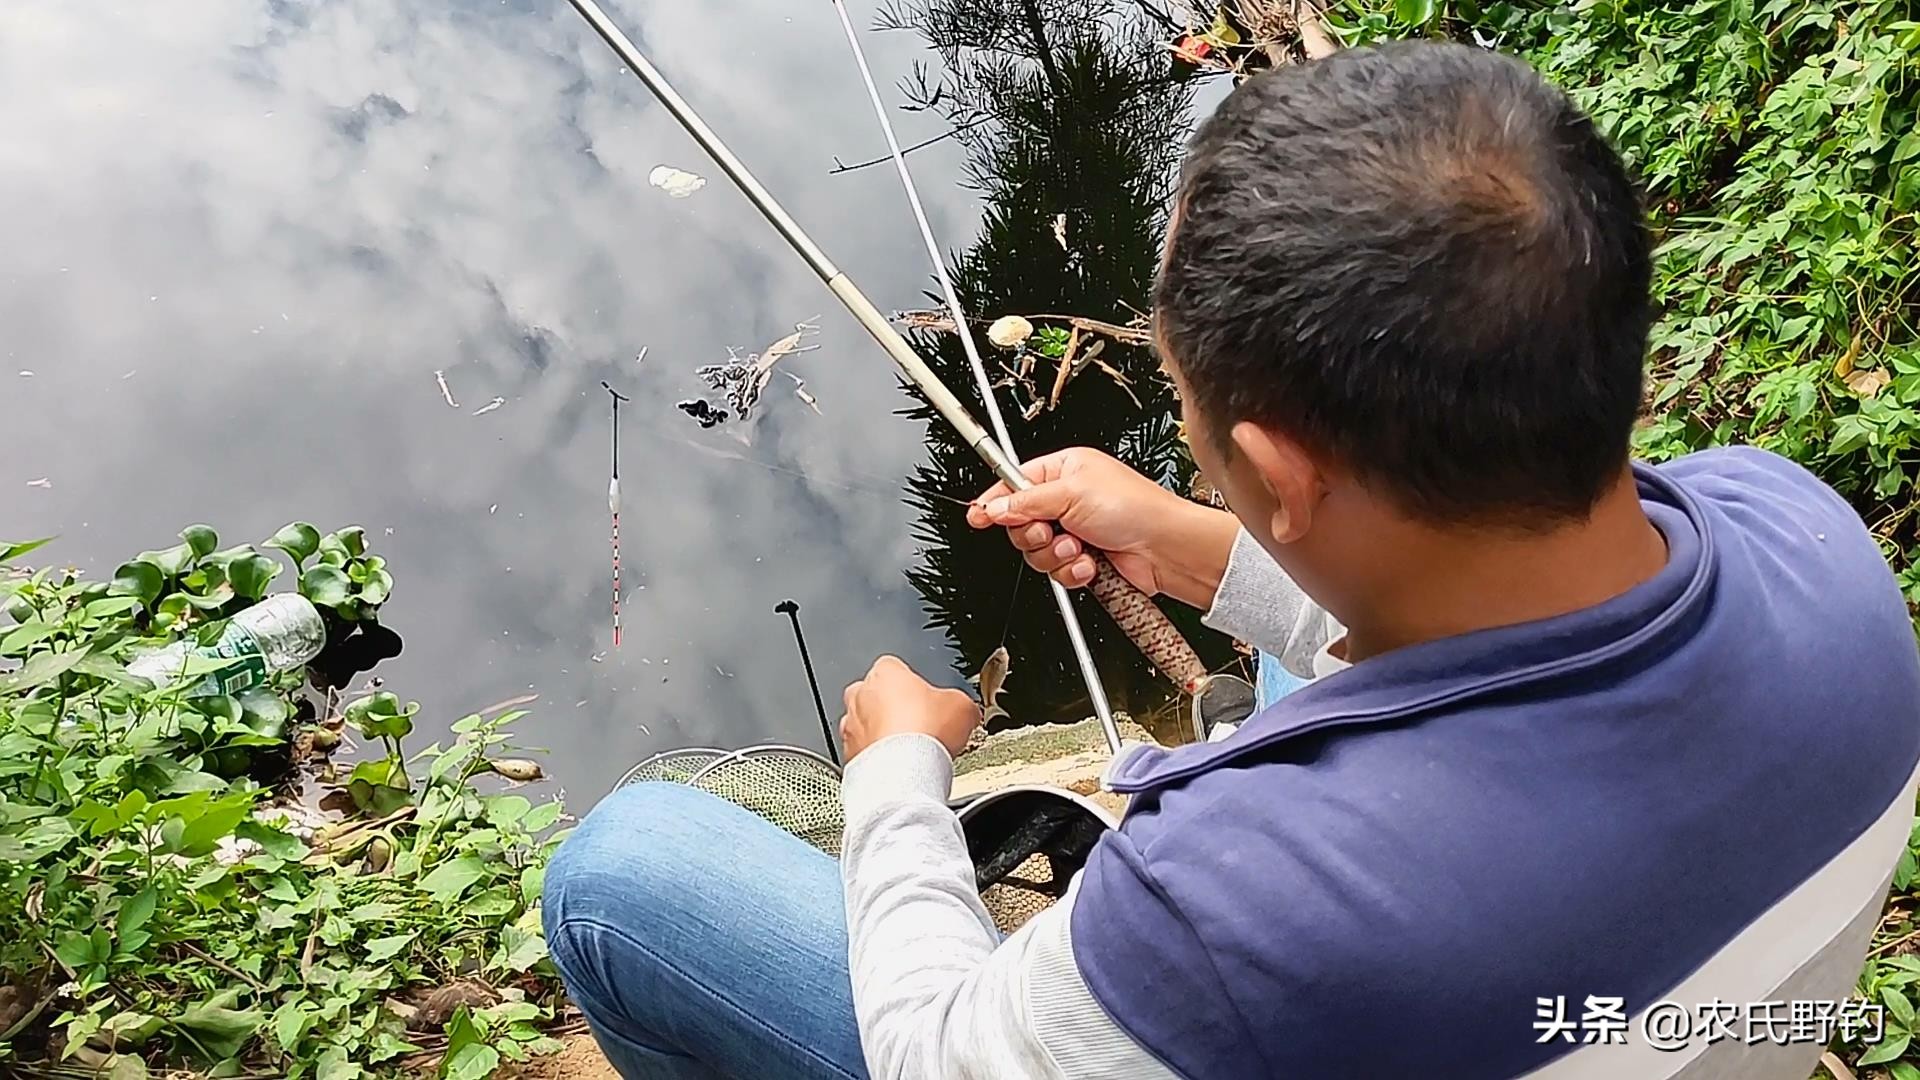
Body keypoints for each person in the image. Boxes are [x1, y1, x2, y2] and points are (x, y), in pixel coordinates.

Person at [541, 40, 1920, 1079]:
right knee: (1281, 654)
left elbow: (941, 1055)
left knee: (625, 874)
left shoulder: (1235, 914)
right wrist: (1201, 550)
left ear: (1279, 469)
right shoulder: (1806, 535)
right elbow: (1501, 616)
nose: (1196, 461)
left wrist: (899, 770)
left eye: (1196, 432)